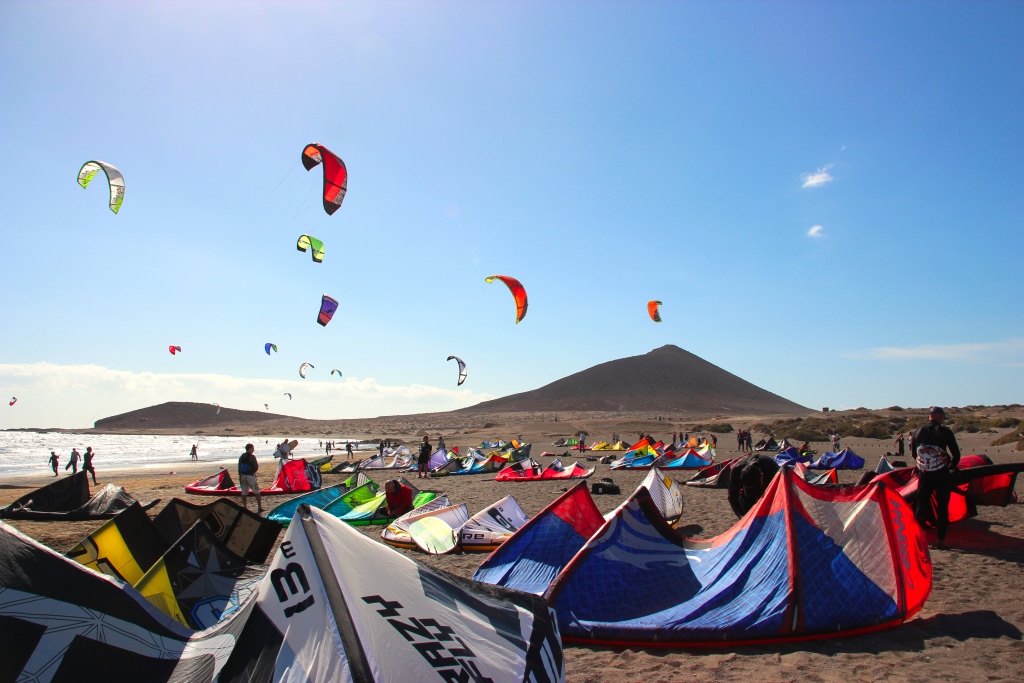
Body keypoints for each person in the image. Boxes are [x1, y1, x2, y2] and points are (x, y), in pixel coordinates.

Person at [912, 407, 961, 547]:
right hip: (941, 474)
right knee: (942, 507)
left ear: (929, 416)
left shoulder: (917, 432)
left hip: (924, 474)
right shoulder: (945, 431)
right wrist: (950, 468)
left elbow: (914, 454)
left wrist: (923, 467)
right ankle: (941, 540)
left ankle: (916, 539)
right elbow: (956, 455)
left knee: (921, 506)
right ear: (940, 417)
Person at [728, 453, 780, 518]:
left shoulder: (772, 469)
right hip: (745, 496)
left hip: (769, 490)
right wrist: (742, 517)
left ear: (762, 476)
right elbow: (732, 498)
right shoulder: (736, 471)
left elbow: (782, 494)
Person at [238, 443, 263, 514]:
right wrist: (252, 471)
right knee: (257, 491)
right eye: (252, 448)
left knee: (244, 492)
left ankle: (245, 507)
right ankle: (259, 508)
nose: (253, 450)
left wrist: (240, 475)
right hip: (250, 475)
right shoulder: (252, 457)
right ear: (249, 449)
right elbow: (255, 467)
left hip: (242, 476)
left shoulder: (242, 456)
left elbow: (239, 467)